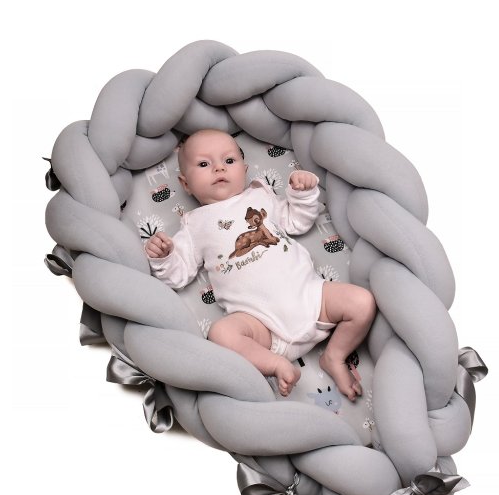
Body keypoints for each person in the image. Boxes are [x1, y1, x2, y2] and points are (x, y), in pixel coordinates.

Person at [145, 129, 375, 400]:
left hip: (312, 299)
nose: (219, 168)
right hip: (261, 326)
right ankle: (275, 364)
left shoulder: (260, 196)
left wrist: (302, 193)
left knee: (362, 302)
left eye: (229, 160)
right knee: (221, 333)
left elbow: (297, 221)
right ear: (186, 184)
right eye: (204, 164)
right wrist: (164, 256)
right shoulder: (194, 225)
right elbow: (177, 275)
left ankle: (335, 356)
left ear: (244, 169)